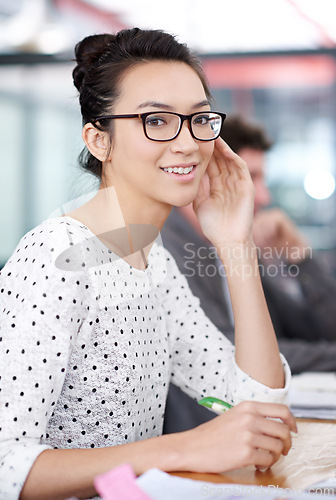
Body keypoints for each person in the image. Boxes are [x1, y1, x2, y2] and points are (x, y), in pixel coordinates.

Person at [0, 29, 296, 500]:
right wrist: (179, 450)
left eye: (199, 119)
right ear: (100, 140)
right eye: (156, 120)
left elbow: (262, 411)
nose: (186, 143)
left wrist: (235, 243)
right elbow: (5, 464)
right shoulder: (55, 260)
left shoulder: (150, 258)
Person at [162, 115, 336, 434]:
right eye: (252, 177)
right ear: (211, 172)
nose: (265, 197)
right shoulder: (169, 247)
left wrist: (300, 256)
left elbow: (323, 328)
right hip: (205, 437)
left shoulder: (233, 245)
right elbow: (229, 351)